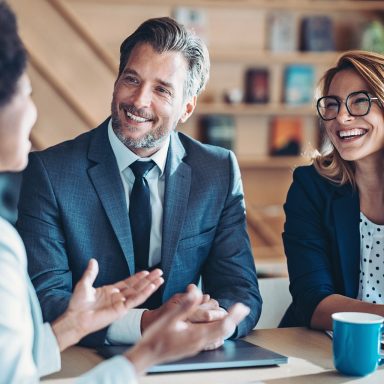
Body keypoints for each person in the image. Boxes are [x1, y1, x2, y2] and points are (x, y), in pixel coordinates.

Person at [0, 2, 250, 382]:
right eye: (131, 79)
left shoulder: (217, 170)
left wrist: (215, 322)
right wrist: (148, 325)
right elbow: (47, 299)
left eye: (162, 89)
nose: (139, 101)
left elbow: (241, 288)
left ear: (187, 107)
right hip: (79, 364)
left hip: (193, 366)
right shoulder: (50, 172)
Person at [280, 50, 384, 330]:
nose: (342, 117)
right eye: (332, 104)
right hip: (326, 347)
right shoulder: (310, 187)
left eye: (360, 102)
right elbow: (312, 300)